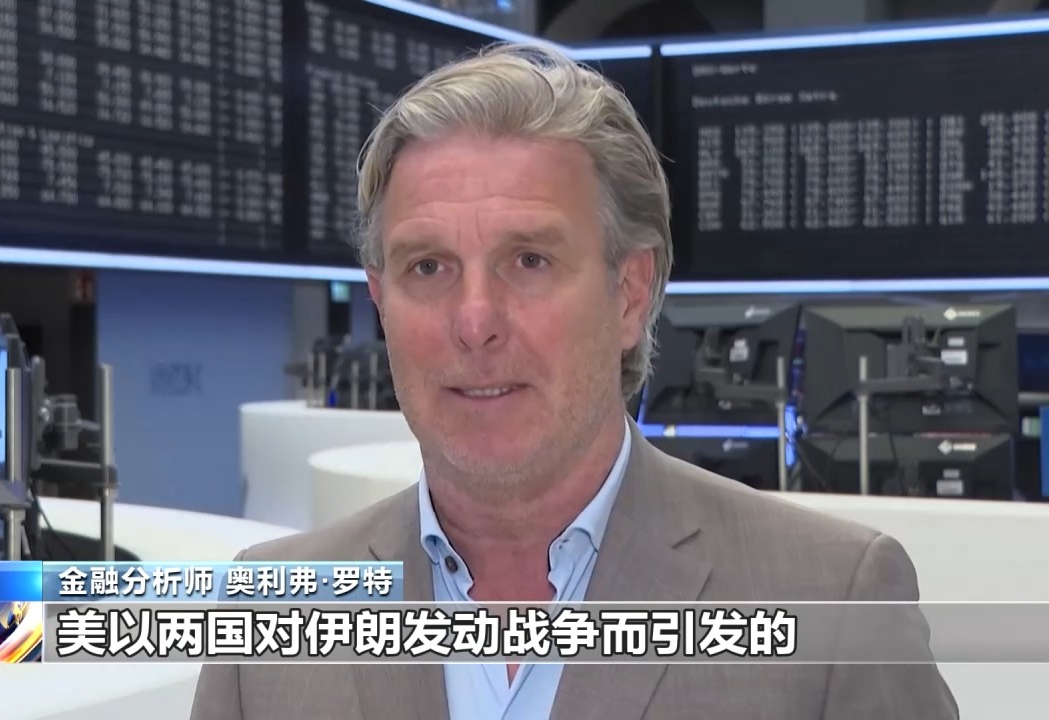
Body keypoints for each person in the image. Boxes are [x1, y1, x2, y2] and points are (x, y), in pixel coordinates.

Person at [193, 42, 957, 719]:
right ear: (380, 302)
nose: (475, 321)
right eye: (428, 267)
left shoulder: (833, 599)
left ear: (629, 294)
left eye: (530, 260)